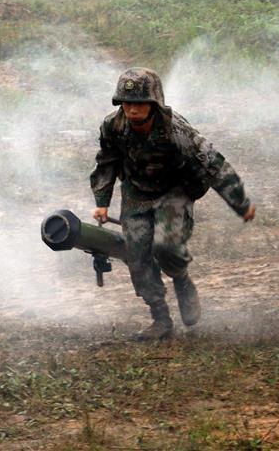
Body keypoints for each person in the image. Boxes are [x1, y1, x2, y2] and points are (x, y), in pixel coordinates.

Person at [90, 68, 256, 341]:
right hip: (136, 193)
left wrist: (241, 203)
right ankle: (160, 318)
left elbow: (214, 165)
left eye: (139, 103)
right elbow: (106, 161)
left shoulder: (176, 131)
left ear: (154, 103)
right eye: (127, 102)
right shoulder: (113, 126)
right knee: (138, 254)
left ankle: (182, 280)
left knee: (166, 246)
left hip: (174, 191)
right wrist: (102, 201)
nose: (132, 109)